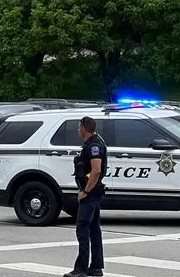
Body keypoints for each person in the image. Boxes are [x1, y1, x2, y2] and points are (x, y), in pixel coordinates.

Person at [65, 116, 107, 277]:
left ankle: (81, 269)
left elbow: (95, 170)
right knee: (94, 229)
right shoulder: (93, 143)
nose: (77, 130)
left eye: (78, 127)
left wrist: (85, 191)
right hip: (94, 192)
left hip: (91, 193)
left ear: (84, 128)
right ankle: (96, 267)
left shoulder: (94, 146)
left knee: (82, 229)